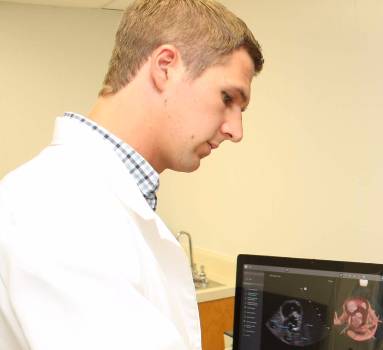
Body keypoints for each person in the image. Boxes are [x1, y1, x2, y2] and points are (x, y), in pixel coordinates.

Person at [0, 0, 263, 349]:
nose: (236, 130)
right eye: (227, 97)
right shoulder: (54, 207)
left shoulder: (104, 198)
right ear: (166, 66)